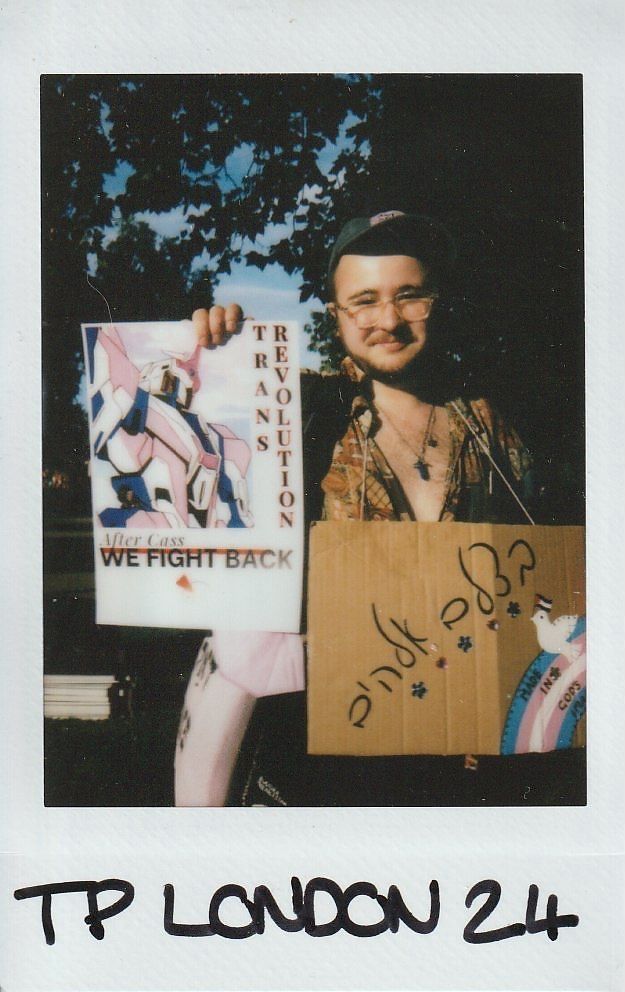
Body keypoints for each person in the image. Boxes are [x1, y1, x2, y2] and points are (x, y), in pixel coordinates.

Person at [174, 211, 585, 807]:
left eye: (410, 296)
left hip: (481, 773)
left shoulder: (501, 425)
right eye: (364, 301)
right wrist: (211, 354)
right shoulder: (298, 422)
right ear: (336, 315)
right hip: (327, 771)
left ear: (437, 302)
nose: (388, 320)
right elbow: (194, 439)